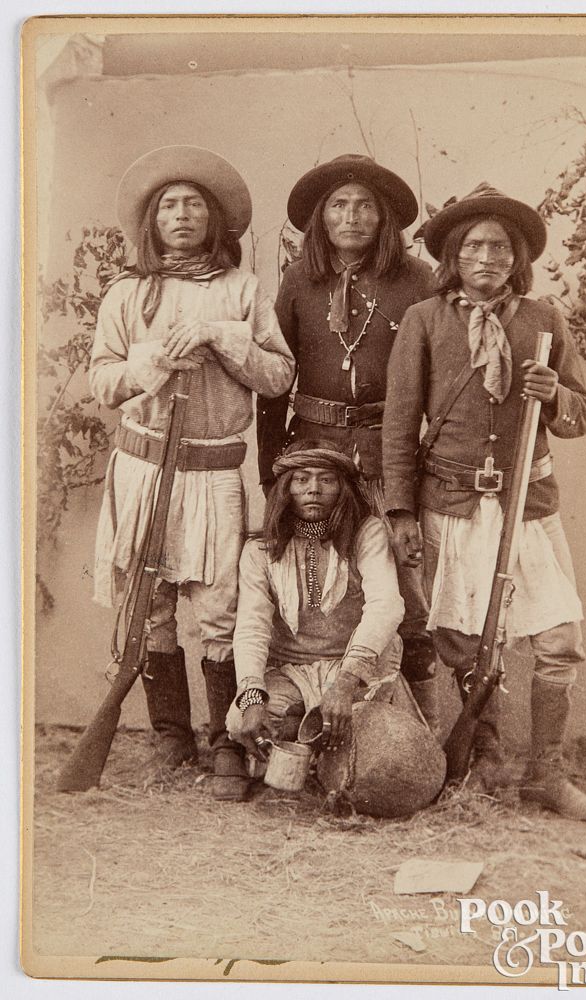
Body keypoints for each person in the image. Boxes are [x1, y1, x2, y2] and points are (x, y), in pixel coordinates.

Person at [382, 182, 586, 821]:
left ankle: (545, 774)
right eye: (474, 246)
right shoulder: (425, 322)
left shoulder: (544, 321)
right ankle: (481, 756)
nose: (488, 258)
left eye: (501, 248)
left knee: (559, 638)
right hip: (451, 505)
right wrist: (401, 511)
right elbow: (399, 425)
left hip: (525, 504)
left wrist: (555, 394)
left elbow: (582, 414)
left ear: (517, 259)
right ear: (453, 257)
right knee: (463, 639)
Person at [89, 144, 295, 800]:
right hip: (146, 470)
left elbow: (279, 373)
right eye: (168, 206)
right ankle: (170, 737)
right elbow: (102, 380)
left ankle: (226, 740)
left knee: (219, 611)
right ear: (151, 221)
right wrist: (151, 361)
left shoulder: (242, 290)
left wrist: (222, 338)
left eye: (193, 206)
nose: (181, 216)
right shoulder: (127, 293)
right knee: (149, 607)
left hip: (214, 473)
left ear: (214, 221)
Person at [256, 154, 440, 732]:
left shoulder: (416, 281)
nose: (352, 216)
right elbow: (275, 376)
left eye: (365, 206)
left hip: (388, 456)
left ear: (384, 218)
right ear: (321, 218)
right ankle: (307, 722)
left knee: (405, 595)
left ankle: (415, 734)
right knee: (313, 585)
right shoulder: (297, 280)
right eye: (339, 205)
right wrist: (272, 468)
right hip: (314, 459)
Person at [228, 440, 405, 759]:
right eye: (302, 479)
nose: (314, 489)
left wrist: (346, 681)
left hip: (354, 668)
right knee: (243, 720)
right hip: (288, 669)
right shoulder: (260, 550)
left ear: (342, 488)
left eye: (326, 479)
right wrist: (252, 697)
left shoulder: (368, 534)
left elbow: (386, 606)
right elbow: (252, 625)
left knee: (368, 741)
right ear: (286, 489)